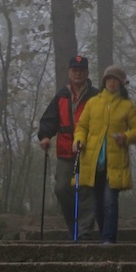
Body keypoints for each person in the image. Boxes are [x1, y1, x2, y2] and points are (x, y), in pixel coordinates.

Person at [72, 65, 136, 244]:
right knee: (97, 203)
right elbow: (82, 127)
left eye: (116, 80)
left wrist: (126, 137)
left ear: (121, 84)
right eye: (109, 79)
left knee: (110, 201)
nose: (112, 83)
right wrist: (78, 140)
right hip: (92, 160)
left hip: (116, 162)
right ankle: (105, 233)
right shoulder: (93, 102)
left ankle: (108, 238)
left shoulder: (128, 106)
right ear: (105, 81)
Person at [37, 54, 98, 240]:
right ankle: (75, 228)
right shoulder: (61, 96)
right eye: (74, 70)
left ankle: (85, 231)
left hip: (89, 151)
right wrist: (45, 136)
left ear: (87, 73)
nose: (78, 74)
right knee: (62, 189)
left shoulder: (96, 96)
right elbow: (49, 119)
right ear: (69, 73)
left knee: (87, 191)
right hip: (65, 151)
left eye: (81, 70)